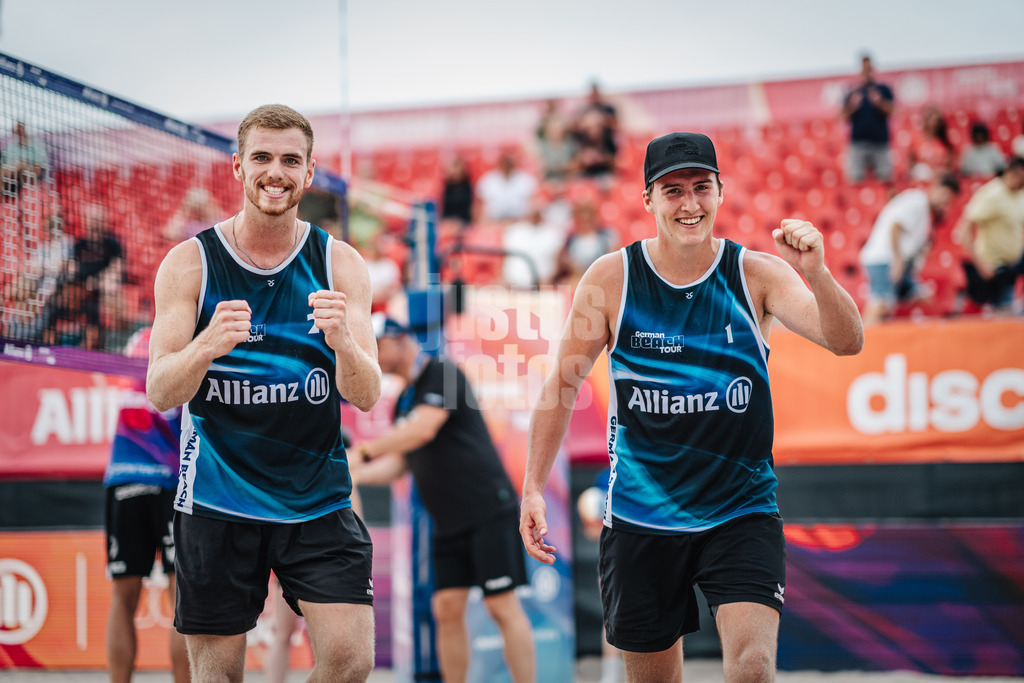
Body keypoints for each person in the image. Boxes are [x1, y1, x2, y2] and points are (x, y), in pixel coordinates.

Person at [519, 132, 864, 682]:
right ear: (648, 200)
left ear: (721, 193)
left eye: (701, 188)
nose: (689, 204)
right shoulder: (611, 279)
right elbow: (562, 385)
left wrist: (817, 273)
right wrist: (533, 485)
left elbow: (847, 341)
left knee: (752, 668)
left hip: (741, 509)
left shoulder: (756, 275)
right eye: (673, 190)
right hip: (642, 517)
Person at [146, 104, 381, 683]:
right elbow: (159, 389)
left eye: (290, 161)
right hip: (218, 501)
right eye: (262, 158)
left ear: (309, 172)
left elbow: (368, 393)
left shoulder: (338, 262)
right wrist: (204, 348)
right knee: (218, 674)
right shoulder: (190, 262)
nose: (275, 172)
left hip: (317, 500)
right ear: (238, 167)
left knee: (352, 662)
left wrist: (343, 344)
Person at [351, 315, 535, 683]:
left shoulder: (444, 373)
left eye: (377, 343)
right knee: (446, 608)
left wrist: (364, 452)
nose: (373, 353)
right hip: (447, 520)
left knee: (502, 605)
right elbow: (402, 464)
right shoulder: (403, 399)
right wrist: (353, 474)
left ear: (401, 339)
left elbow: (423, 429)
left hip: (486, 508)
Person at [104, 326, 189, 683]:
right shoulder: (186, 335)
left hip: (123, 477)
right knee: (182, 602)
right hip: (169, 481)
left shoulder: (138, 337)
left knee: (123, 599)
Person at [858, 173, 961, 324]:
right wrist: (898, 260)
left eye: (949, 199)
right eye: (944, 194)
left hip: (897, 263)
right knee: (881, 302)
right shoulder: (917, 201)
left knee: (921, 296)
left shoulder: (926, 211)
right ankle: (864, 341)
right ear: (935, 187)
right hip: (884, 259)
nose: (945, 201)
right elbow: (895, 227)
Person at [955, 156, 1024, 313]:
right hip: (992, 268)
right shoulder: (992, 195)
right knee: (998, 316)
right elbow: (964, 229)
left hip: (1011, 266)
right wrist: (980, 265)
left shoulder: (1020, 194)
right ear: (1011, 173)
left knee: (1007, 314)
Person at [841, 54, 895, 184]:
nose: (867, 72)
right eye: (864, 68)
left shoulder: (883, 89)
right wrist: (853, 106)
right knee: (855, 180)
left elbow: (893, 111)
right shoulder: (853, 91)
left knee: (885, 179)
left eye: (869, 68)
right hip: (858, 143)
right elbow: (842, 116)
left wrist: (879, 103)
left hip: (880, 142)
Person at [502, 198, 568, 288]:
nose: (535, 213)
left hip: (541, 286)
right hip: (512, 285)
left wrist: (547, 283)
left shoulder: (554, 233)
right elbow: (505, 262)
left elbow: (558, 264)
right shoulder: (514, 231)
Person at [474, 150, 538, 224]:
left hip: (520, 223)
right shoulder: (487, 180)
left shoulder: (526, 179)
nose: (507, 165)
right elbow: (479, 206)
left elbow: (533, 203)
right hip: (494, 223)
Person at [907, 105, 955, 183]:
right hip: (921, 179)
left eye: (936, 119)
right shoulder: (916, 139)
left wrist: (938, 173)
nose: (934, 122)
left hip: (941, 180)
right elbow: (910, 166)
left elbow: (951, 167)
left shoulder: (944, 140)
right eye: (931, 117)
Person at [1, 120, 49, 195]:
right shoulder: (11, 148)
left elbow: (39, 168)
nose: (19, 132)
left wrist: (23, 165)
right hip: (12, 177)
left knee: (19, 167)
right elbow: (5, 165)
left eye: (21, 129)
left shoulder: (36, 146)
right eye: (17, 130)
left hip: (30, 174)